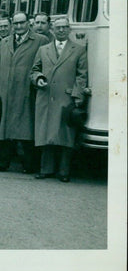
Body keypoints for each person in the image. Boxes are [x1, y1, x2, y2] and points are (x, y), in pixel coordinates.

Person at [0, 12, 48, 173]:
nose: (19, 26)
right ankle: (2, 163)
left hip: (26, 92)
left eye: (22, 23)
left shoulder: (40, 41)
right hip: (5, 93)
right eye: (16, 23)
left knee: (26, 129)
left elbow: (45, 66)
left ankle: (30, 165)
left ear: (29, 23)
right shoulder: (5, 42)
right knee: (4, 130)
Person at [31, 18, 88, 182]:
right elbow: (34, 70)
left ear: (69, 29)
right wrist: (38, 78)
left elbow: (82, 75)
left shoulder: (78, 50)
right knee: (46, 133)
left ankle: (64, 171)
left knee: (65, 136)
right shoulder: (43, 49)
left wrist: (78, 96)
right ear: (53, 30)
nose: (61, 30)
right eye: (58, 28)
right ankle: (46, 169)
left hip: (66, 98)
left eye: (64, 27)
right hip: (46, 96)